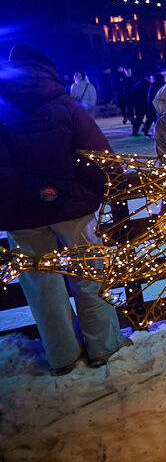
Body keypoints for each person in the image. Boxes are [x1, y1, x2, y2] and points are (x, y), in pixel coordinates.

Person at [0, 44, 130, 375]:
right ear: (47, 71)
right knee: (90, 273)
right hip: (73, 205)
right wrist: (104, 186)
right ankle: (104, 346)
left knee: (40, 284)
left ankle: (63, 356)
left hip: (21, 213)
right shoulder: (67, 105)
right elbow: (101, 158)